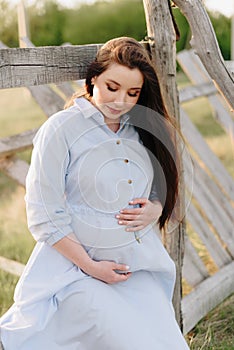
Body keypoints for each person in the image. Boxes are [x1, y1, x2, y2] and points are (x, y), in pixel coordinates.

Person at [0, 37, 189, 349]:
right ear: (92, 79)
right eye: (111, 87)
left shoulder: (139, 131)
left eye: (133, 93)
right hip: (78, 272)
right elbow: (43, 214)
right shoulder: (61, 129)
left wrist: (156, 208)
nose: (120, 101)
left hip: (138, 270)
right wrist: (91, 267)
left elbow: (161, 184)